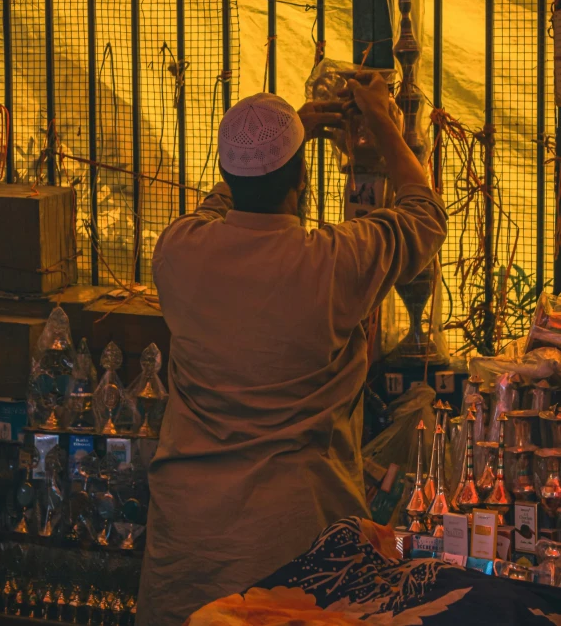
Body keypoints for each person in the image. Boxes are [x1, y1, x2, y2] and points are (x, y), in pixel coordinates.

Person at [136, 75, 447, 623]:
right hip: (295, 547)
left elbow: (216, 203)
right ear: (302, 177)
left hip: (191, 545)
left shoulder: (177, 251)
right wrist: (382, 121)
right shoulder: (332, 261)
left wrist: (280, 137)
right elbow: (425, 214)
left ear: (228, 171)